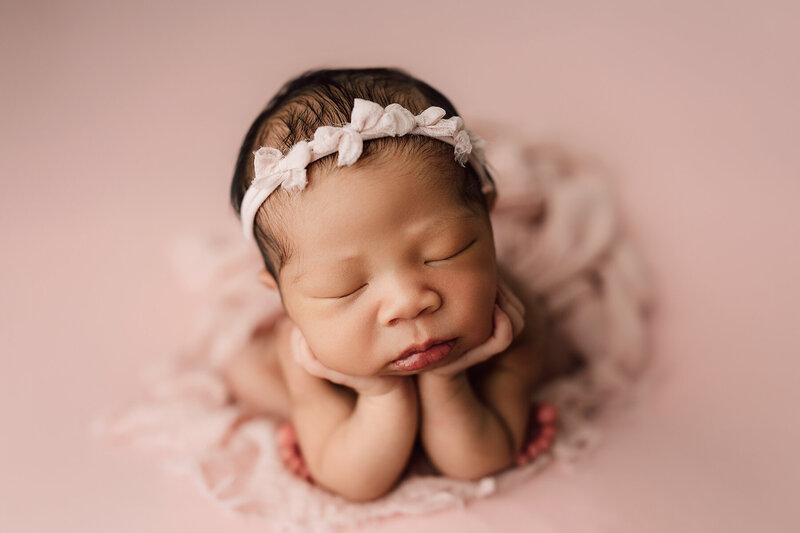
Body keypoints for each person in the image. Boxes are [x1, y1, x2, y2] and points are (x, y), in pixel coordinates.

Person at [224, 68, 566, 502]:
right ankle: (313, 417)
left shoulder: (510, 319)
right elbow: (354, 483)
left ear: (488, 218)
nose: (408, 302)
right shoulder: (305, 356)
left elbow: (479, 462)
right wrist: (379, 394)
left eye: (446, 251)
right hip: (320, 377)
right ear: (282, 297)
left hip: (474, 373)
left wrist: (448, 378)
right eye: (343, 287)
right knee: (246, 372)